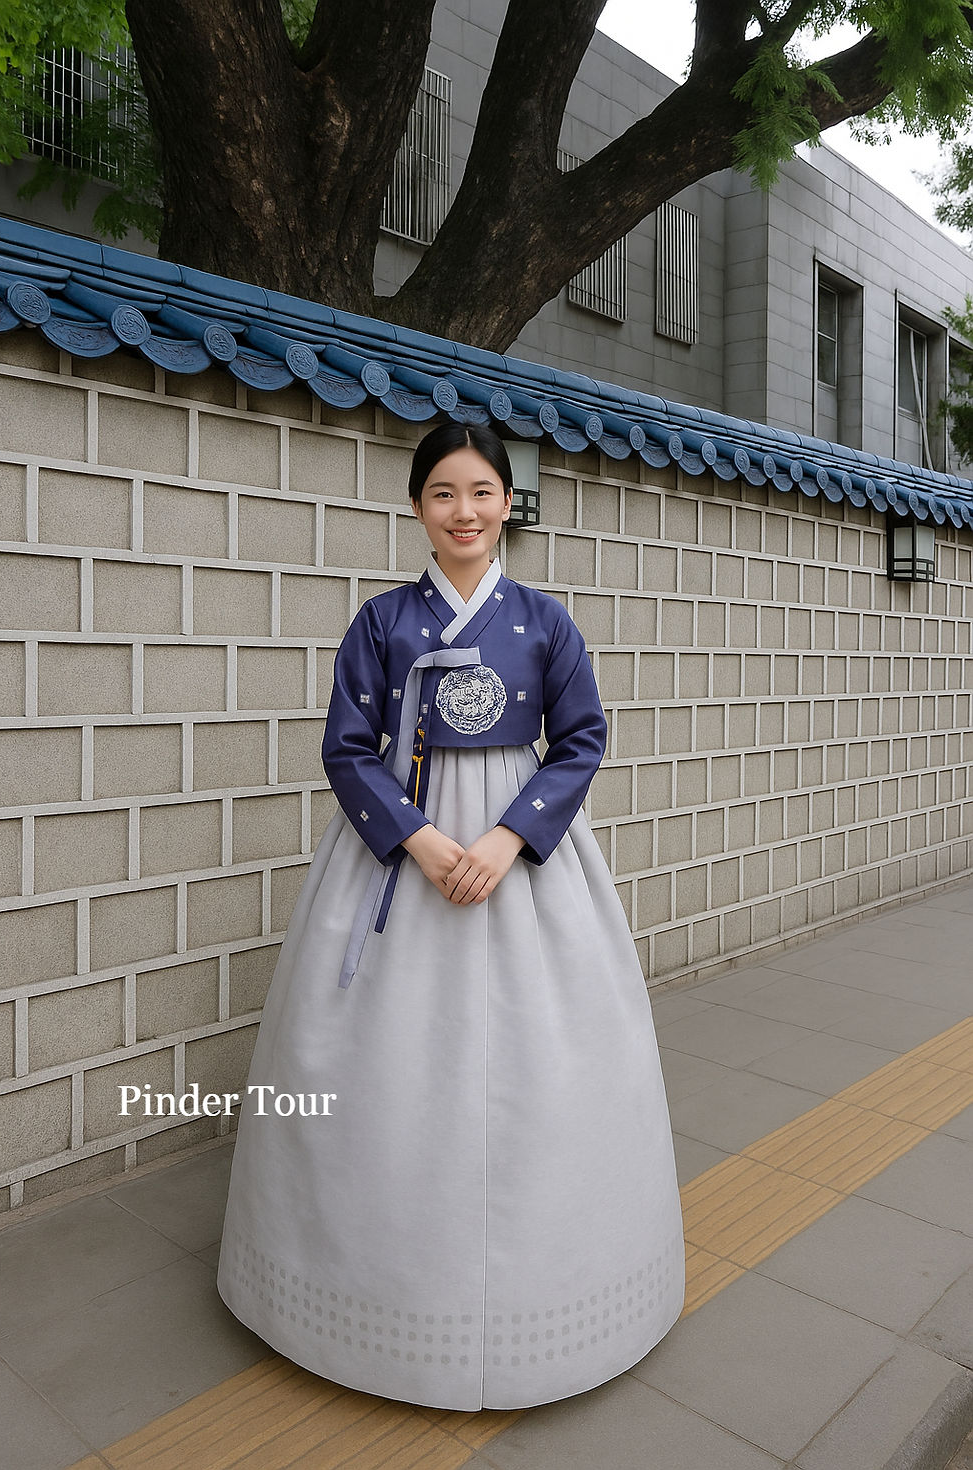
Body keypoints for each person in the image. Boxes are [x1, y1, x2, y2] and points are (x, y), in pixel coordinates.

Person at [216, 421, 685, 1412]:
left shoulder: (546, 623)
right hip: (402, 848)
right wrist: (422, 843)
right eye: (441, 493)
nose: (462, 512)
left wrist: (509, 839)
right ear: (416, 507)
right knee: (382, 1071)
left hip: (519, 855)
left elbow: (580, 738)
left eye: (480, 492)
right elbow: (347, 750)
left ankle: (553, 1305)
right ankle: (362, 1301)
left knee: (544, 1069)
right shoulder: (381, 622)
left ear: (506, 502)